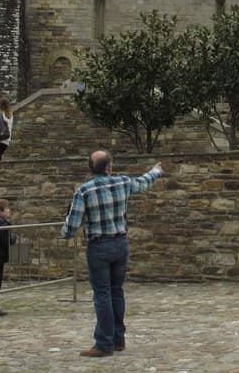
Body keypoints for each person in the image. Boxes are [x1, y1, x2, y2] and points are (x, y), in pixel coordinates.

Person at [62, 151, 164, 357]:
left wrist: (64, 232)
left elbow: (72, 226)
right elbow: (143, 182)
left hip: (99, 246)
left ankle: (104, 343)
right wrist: (156, 171)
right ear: (109, 167)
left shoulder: (84, 191)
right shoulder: (122, 183)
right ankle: (118, 339)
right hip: (120, 243)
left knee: (102, 294)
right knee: (116, 291)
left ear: (91, 168)